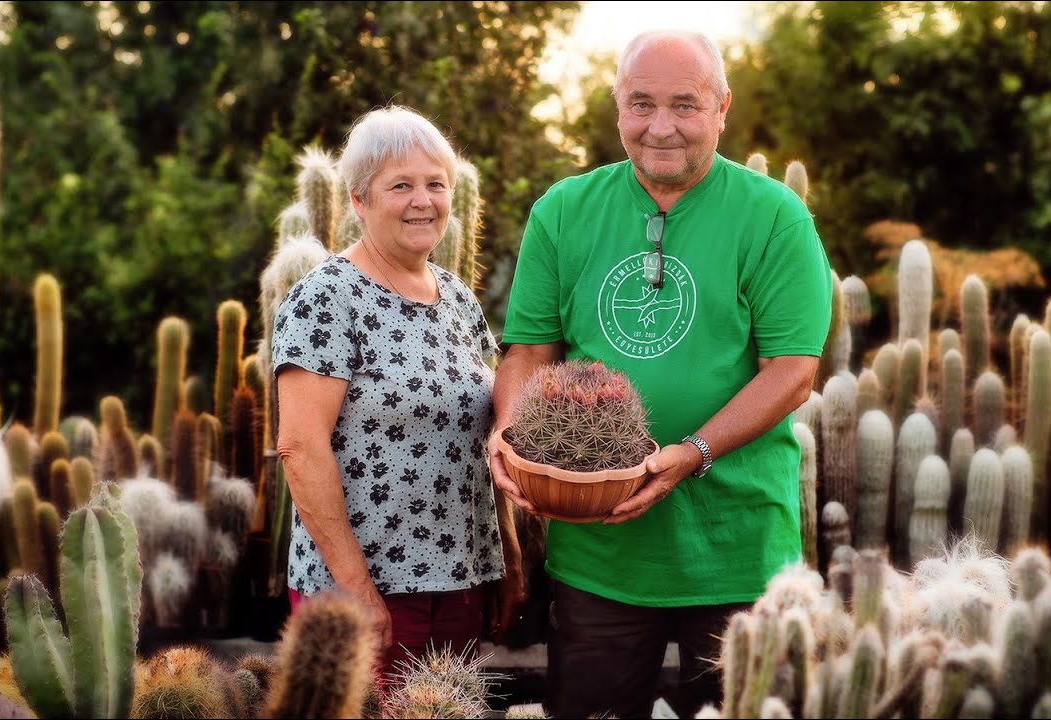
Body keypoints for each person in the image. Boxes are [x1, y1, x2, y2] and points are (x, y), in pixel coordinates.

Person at [490, 30, 833, 719]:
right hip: (599, 554)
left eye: (685, 104)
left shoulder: (773, 217)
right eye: (640, 104)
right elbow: (528, 353)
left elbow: (792, 371)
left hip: (735, 550)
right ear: (617, 106)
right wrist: (511, 436)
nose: (661, 127)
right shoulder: (563, 212)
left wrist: (691, 453)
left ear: (722, 108)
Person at [271, 105, 524, 683]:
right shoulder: (326, 299)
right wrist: (357, 589)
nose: (423, 200)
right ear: (358, 200)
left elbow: (486, 434)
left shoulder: (457, 297)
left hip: (461, 581)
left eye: (436, 184)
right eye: (401, 185)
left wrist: (506, 556)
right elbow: (301, 448)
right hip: (367, 590)